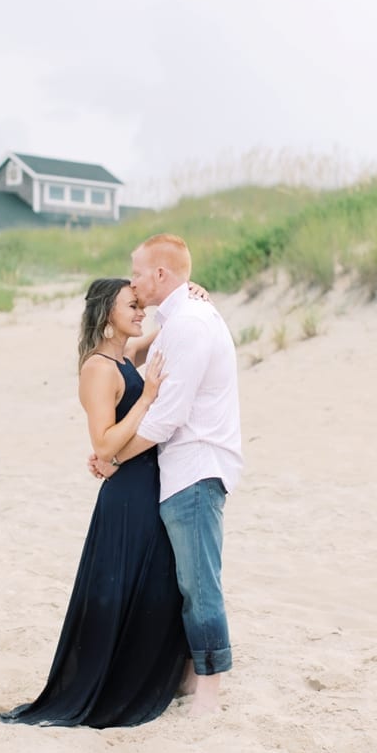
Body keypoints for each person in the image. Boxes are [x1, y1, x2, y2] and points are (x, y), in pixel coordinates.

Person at [0, 278, 191, 728]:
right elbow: (103, 444)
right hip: (128, 495)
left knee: (153, 583)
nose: (141, 312)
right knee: (125, 586)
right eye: (132, 306)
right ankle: (116, 685)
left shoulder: (124, 356)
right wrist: (146, 399)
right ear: (107, 314)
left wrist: (188, 293)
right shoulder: (98, 368)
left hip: (144, 483)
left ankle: (152, 674)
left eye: (141, 305)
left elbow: (163, 335)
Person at [92, 233, 244, 717]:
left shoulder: (191, 324)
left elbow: (166, 417)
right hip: (177, 471)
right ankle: (186, 676)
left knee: (200, 583)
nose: (133, 282)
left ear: (160, 274)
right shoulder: (180, 320)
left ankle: (210, 692)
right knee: (182, 580)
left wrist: (112, 459)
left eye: (138, 271)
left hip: (196, 467)